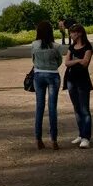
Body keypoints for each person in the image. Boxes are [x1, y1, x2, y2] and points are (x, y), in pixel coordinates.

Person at [31, 20, 63, 150]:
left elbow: (33, 60)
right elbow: (59, 61)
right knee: (52, 108)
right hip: (53, 75)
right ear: (50, 31)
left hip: (38, 75)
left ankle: (38, 139)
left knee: (39, 107)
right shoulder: (56, 46)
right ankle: (54, 140)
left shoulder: (34, 44)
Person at [64, 24, 93, 148]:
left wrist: (76, 61)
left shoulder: (88, 47)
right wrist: (77, 60)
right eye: (70, 33)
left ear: (80, 33)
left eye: (73, 33)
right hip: (71, 80)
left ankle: (86, 138)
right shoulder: (71, 47)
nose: (71, 35)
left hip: (83, 81)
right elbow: (66, 63)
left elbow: (85, 63)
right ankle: (81, 134)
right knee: (77, 108)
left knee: (84, 109)